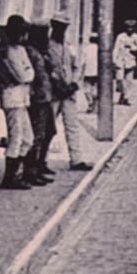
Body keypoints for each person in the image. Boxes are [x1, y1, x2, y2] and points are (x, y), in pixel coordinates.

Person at [0, 15, 36, 190]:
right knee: (16, 137)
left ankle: (16, 173)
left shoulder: (20, 49)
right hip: (12, 97)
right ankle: (9, 177)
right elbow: (24, 75)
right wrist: (27, 72)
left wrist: (27, 73)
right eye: (20, 32)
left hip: (23, 97)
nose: (23, 35)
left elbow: (28, 73)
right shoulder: (7, 50)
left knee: (28, 139)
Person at [47, 13, 90, 171]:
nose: (61, 29)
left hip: (69, 92)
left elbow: (77, 67)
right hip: (54, 92)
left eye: (64, 27)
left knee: (72, 126)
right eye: (58, 26)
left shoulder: (68, 46)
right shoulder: (47, 46)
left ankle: (76, 159)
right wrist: (58, 85)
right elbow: (48, 69)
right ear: (53, 25)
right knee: (48, 128)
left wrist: (74, 84)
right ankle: (42, 161)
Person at [25, 21, 57, 184]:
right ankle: (31, 171)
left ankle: (40, 165)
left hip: (46, 97)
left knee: (49, 131)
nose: (47, 37)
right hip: (36, 99)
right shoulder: (30, 51)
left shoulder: (41, 51)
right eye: (44, 34)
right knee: (36, 136)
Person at [111, 20, 137, 103]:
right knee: (119, 78)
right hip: (120, 59)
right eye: (128, 27)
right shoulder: (120, 36)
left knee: (129, 81)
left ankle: (126, 98)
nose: (130, 29)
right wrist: (114, 59)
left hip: (130, 60)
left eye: (132, 28)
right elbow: (116, 48)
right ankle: (124, 94)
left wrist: (132, 47)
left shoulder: (136, 37)